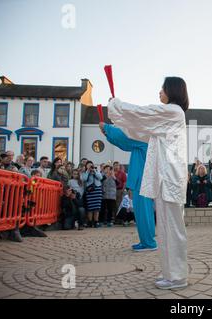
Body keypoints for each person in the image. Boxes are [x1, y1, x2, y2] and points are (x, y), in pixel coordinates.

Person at [107, 76, 189, 290]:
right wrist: (118, 119)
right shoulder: (166, 117)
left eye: (162, 88)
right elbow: (139, 130)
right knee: (164, 228)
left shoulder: (173, 111)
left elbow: (142, 113)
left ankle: (178, 276)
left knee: (172, 227)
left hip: (170, 178)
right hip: (165, 178)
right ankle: (171, 273)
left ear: (172, 90)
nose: (159, 92)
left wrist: (116, 105)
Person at [99, 122, 158, 251]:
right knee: (142, 211)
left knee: (144, 212)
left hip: (142, 180)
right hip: (142, 180)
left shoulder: (145, 138)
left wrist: (108, 128)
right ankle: (146, 241)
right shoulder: (142, 140)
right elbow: (124, 144)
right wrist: (108, 135)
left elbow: (125, 137)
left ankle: (149, 243)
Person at [81, 161, 103, 228]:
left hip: (97, 190)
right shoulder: (85, 172)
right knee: (90, 207)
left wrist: (94, 171)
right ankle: (90, 222)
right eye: (89, 165)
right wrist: (88, 171)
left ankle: (96, 222)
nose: (90, 166)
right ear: (86, 166)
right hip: (90, 191)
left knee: (97, 207)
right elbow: (84, 179)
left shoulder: (96, 171)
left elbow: (100, 178)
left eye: (91, 165)